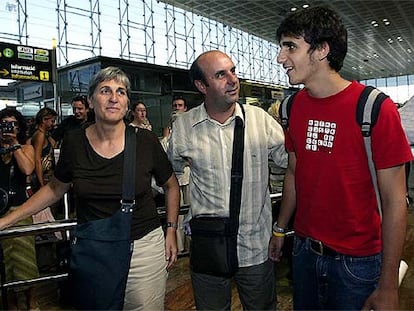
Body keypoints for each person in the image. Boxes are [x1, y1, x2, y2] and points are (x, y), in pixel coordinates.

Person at [0, 66, 180, 310]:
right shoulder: (74, 142)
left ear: (127, 103)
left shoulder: (144, 141)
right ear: (91, 101)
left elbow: (171, 186)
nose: (114, 97)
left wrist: (171, 229)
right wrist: (9, 219)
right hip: (94, 249)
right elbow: (55, 188)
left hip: (142, 246)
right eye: (105, 90)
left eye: (121, 92)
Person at [270, 6, 414, 311]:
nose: (280, 57)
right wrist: (281, 229)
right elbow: (295, 172)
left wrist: (388, 285)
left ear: (322, 50)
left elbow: (394, 201)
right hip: (305, 252)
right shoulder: (292, 108)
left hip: (358, 263)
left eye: (290, 46)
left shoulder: (374, 108)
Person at [167, 50, 287, 310]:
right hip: (209, 248)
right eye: (221, 75)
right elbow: (169, 177)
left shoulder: (260, 121)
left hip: (255, 247)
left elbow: (292, 163)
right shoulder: (184, 127)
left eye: (233, 70)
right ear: (201, 85)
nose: (233, 79)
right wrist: (171, 227)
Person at [0, 108, 40, 311]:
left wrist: (14, 145)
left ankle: (32, 301)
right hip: (1, 211)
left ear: (19, 127)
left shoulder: (26, 147)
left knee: (27, 260)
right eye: (4, 124)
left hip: (20, 209)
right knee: (6, 263)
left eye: (12, 124)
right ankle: (13, 303)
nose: (8, 128)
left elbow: (27, 169)